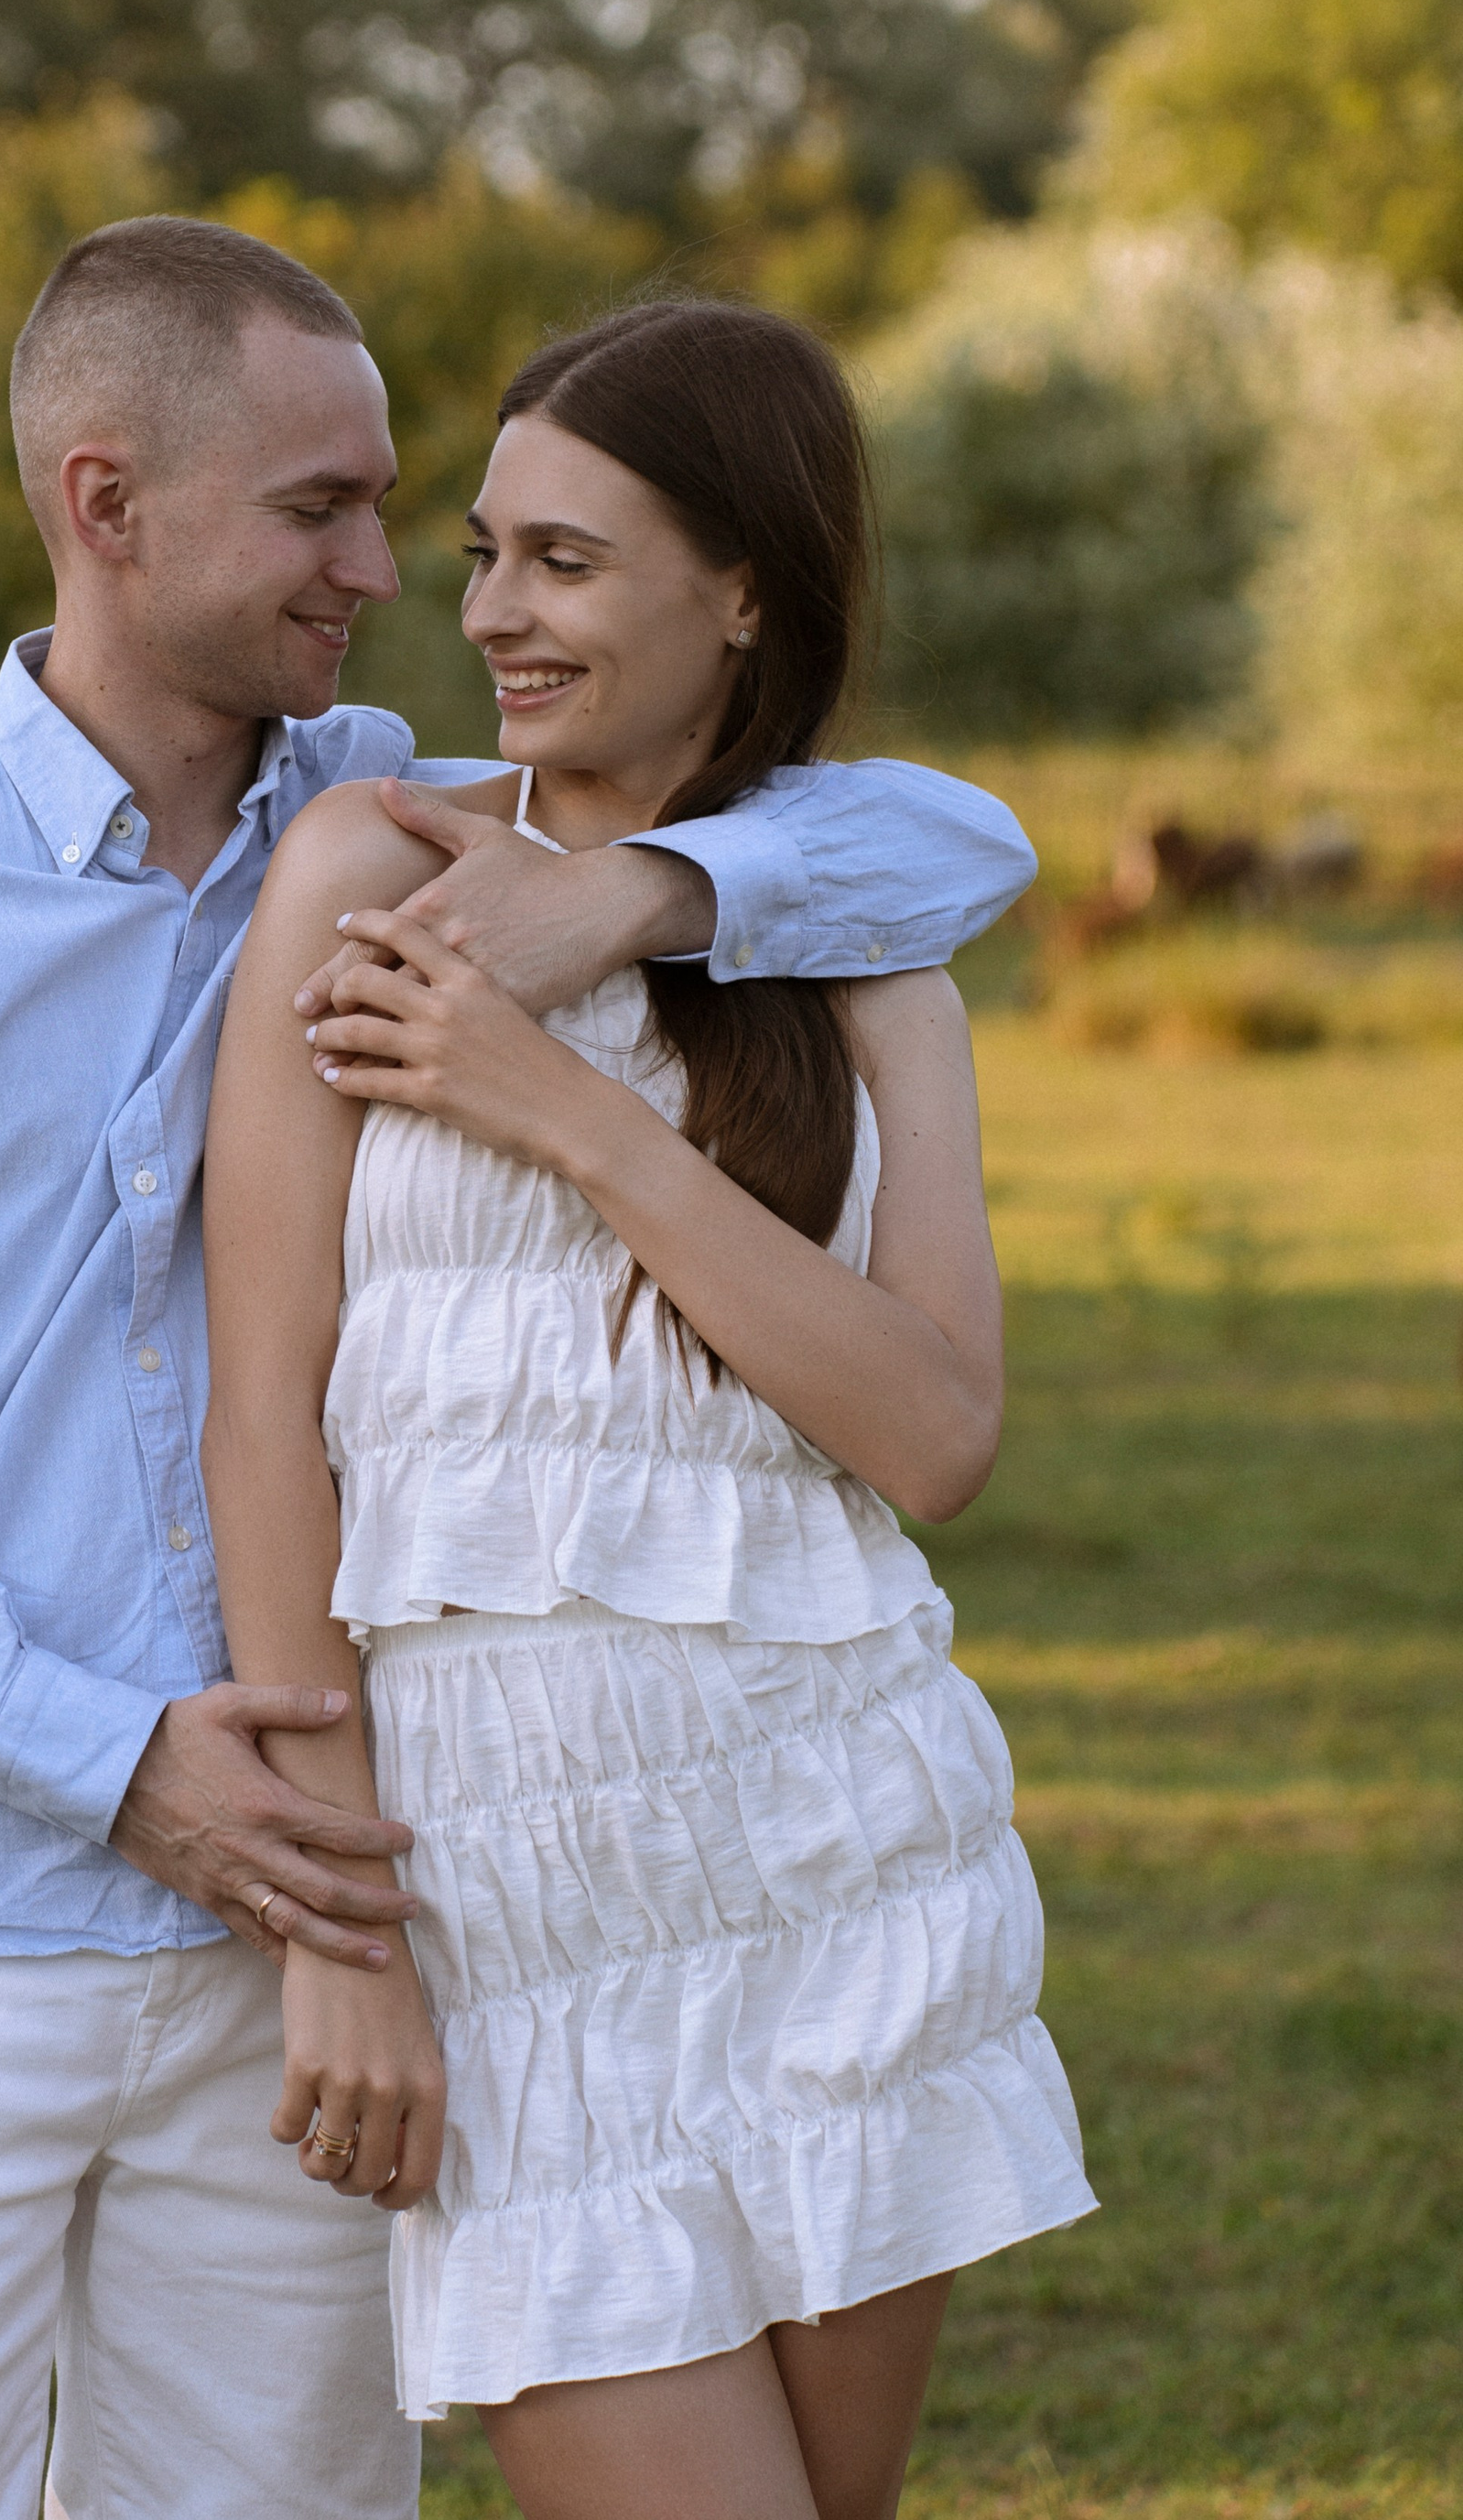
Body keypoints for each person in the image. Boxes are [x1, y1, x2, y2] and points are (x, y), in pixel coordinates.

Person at [0, 223, 1043, 2520]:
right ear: (106, 504)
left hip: (324, 1943)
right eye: (327, 515)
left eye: (419, 518)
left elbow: (937, 834)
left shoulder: (392, 821)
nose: (396, 579)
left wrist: (647, 897)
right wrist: (123, 1768)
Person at [202, 296, 1096, 2520]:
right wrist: (343, 1941)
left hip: (834, 1851)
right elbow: (259, 1418)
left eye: (565, 563)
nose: (488, 611)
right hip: (516, 1905)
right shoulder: (367, 874)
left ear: (743, 591)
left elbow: (933, 1435)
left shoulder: (862, 939)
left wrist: (569, 1106)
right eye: (486, 548)